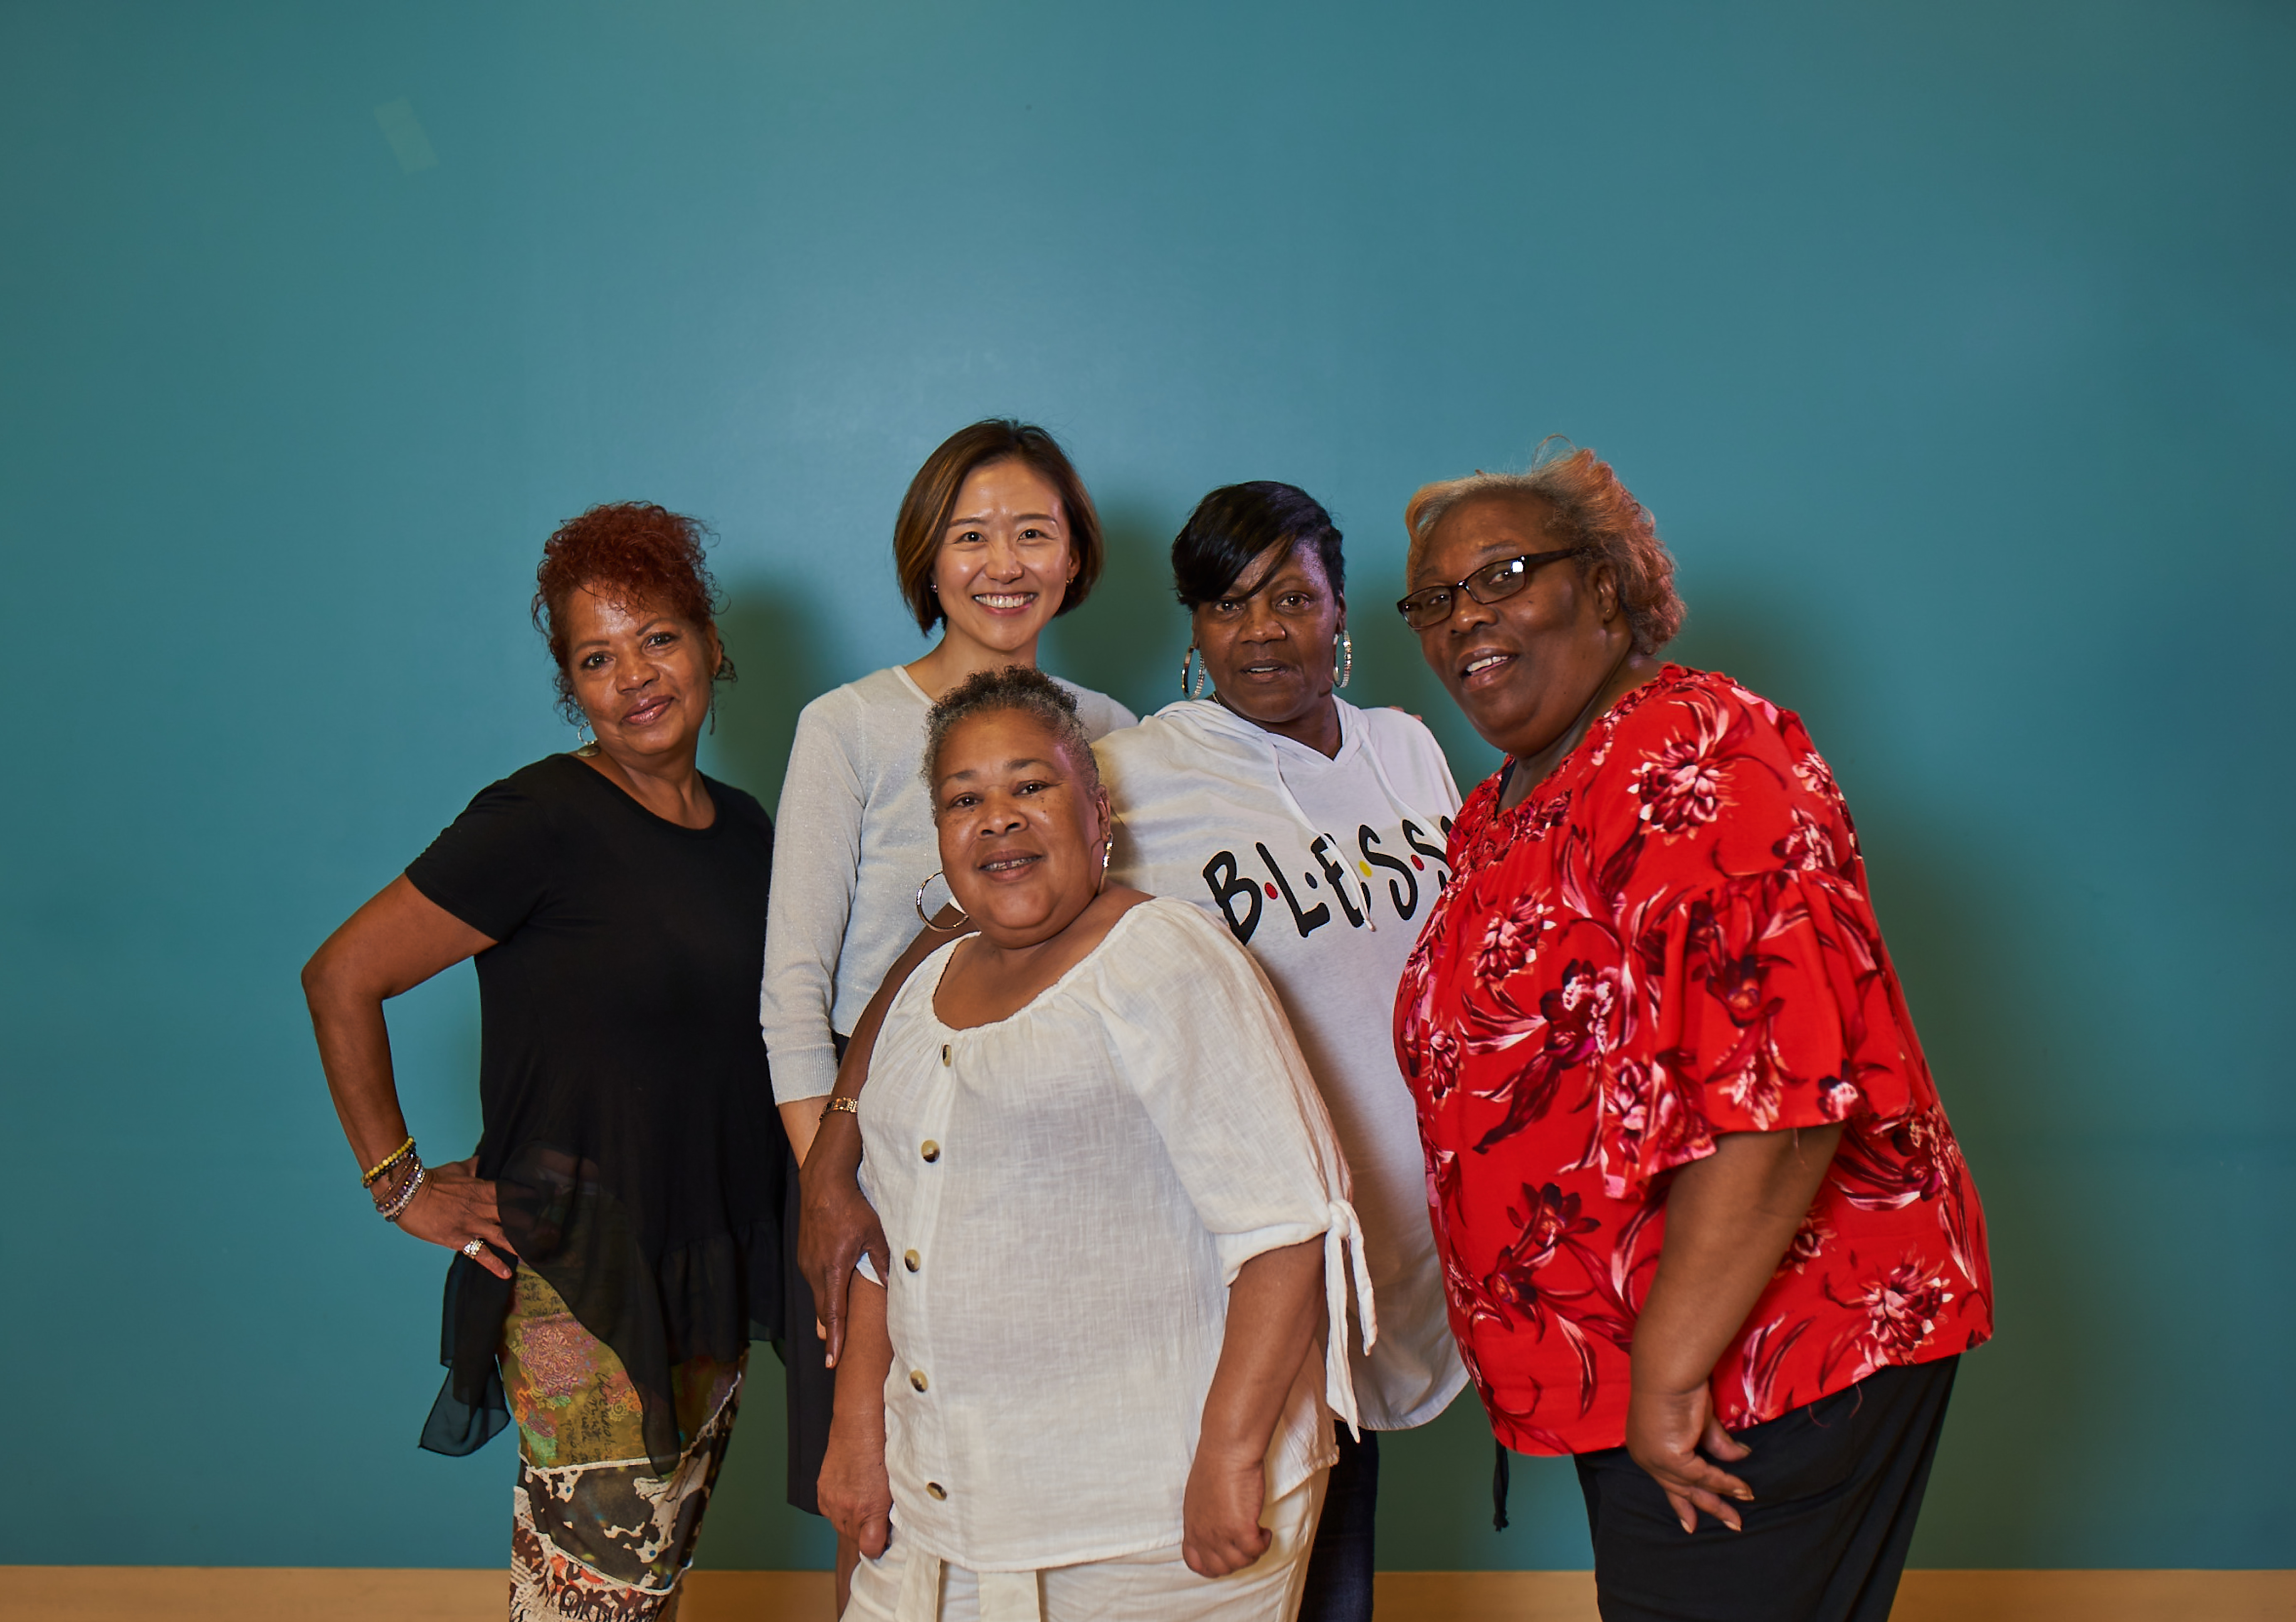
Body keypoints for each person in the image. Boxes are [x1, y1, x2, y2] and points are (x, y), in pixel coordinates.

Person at [797, 483, 1464, 1620]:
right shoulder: (1137, 769)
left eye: (1292, 598)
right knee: (1287, 1528)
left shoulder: (1406, 751)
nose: (1260, 630)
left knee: (1327, 1525)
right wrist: (836, 1142)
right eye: (1226, 604)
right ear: (1193, 629)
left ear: (1341, 611)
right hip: (1249, 1243)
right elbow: (957, 932)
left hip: (1399, 1249)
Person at [1389, 445, 1992, 1622]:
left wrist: (1667, 1370)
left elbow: (1776, 1095)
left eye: (1505, 574)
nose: (1467, 617)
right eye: (1437, 597)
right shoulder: (1507, 804)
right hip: (1653, 1365)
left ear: (1607, 589)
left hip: (1759, 1354)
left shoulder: (1696, 755)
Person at [301, 502, 784, 1620]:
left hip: (709, 1260)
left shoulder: (751, 830)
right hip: (583, 1274)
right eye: (597, 658)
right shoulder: (539, 820)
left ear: (711, 641)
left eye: (658, 638)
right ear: (572, 684)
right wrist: (401, 1183)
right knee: (591, 1604)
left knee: (652, 1579)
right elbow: (341, 976)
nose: (636, 678)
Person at [816, 667, 1371, 1622]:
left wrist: (1230, 1456)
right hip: (944, 1509)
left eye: (1031, 786)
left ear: (1096, 812)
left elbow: (1284, 1228)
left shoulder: (1166, 962)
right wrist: (857, 1435)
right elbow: (889, 1238)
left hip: (1146, 1522)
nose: (997, 818)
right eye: (964, 799)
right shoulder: (920, 991)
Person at [759, 420, 1134, 1606]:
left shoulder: (1113, 733)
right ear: (929, 559)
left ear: (1075, 557)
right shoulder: (851, 727)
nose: (1005, 562)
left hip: (1048, 1183)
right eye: (972, 536)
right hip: (872, 1180)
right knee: (872, 1500)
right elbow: (790, 996)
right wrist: (843, 1194)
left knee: (1037, 1493)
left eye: (1035, 532)